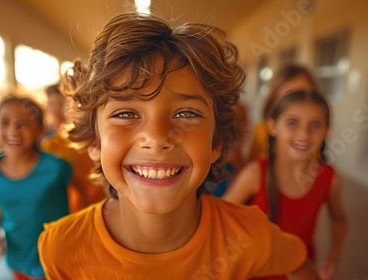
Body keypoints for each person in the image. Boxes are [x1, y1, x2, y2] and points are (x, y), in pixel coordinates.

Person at [38, 12, 320, 279]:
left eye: (187, 114)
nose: (157, 137)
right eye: (125, 114)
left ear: (216, 142)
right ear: (94, 141)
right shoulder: (60, 248)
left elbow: (299, 263)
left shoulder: (248, 236)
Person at [223, 90, 348, 280]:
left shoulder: (329, 178)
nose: (304, 134)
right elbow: (218, 220)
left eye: (315, 125)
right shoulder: (255, 173)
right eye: (293, 122)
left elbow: (339, 220)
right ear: (272, 126)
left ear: (327, 131)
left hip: (301, 272)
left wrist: (333, 257)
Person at [0, 93, 72, 280]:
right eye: (5, 123)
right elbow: (2, 200)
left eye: (23, 123)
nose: (13, 131)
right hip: (18, 255)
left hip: (57, 257)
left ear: (40, 130)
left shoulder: (57, 168)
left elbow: (76, 198)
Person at [41, 83, 107, 212]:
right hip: (73, 211)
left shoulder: (103, 138)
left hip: (106, 205)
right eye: (51, 103)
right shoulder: (50, 144)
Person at [249, 64, 318, 162]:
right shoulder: (260, 131)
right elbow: (250, 165)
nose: (298, 103)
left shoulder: (312, 134)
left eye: (303, 94)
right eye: (290, 95)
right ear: (274, 98)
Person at [210, 102, 250, 197]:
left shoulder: (246, 164)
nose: (237, 126)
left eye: (241, 121)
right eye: (231, 121)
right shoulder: (212, 164)